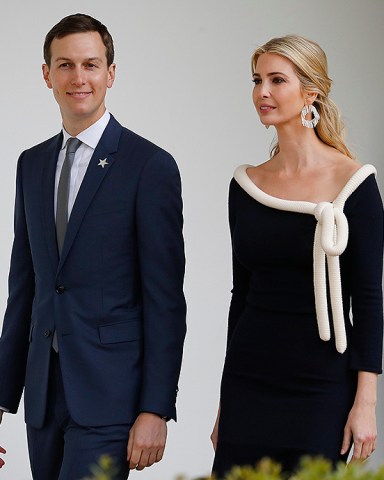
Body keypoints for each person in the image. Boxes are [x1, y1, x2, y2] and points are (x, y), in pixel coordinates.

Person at [0, 13, 186, 480]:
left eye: (91, 65)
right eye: (65, 65)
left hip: (111, 398)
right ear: (47, 74)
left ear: (111, 74)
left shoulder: (150, 166)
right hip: (43, 397)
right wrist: (2, 400)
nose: (78, 78)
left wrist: (155, 409)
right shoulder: (31, 164)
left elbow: (165, 301)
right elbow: (25, 290)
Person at [211, 34, 383, 477]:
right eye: (256, 80)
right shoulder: (245, 186)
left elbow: (368, 300)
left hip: (322, 384)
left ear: (311, 93)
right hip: (249, 381)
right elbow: (240, 294)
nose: (262, 92)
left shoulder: (356, 183)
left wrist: (365, 404)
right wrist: (224, 403)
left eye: (276, 80)